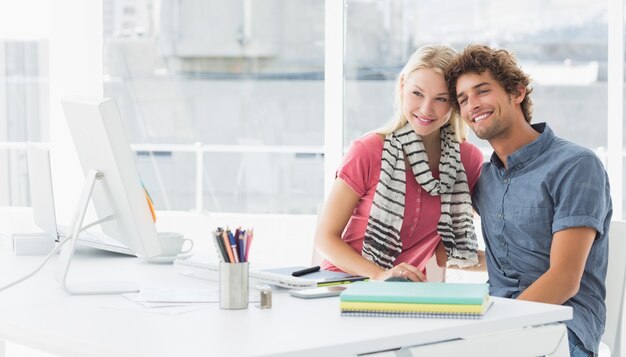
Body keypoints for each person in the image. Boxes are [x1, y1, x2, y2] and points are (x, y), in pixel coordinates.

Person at [446, 44, 612, 356]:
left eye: (482, 91)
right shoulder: (484, 179)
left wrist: (494, 330)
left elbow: (564, 279)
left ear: (518, 92)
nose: (472, 105)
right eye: (463, 99)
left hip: (562, 327)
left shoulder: (575, 165)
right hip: (497, 317)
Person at [314, 45, 485, 282]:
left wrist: (514, 264)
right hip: (342, 286)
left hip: (404, 293)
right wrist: (380, 275)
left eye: (441, 99)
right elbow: (325, 238)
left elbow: (447, 252)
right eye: (417, 93)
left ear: (455, 103)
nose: (426, 109)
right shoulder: (367, 151)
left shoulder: (468, 160)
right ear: (402, 85)